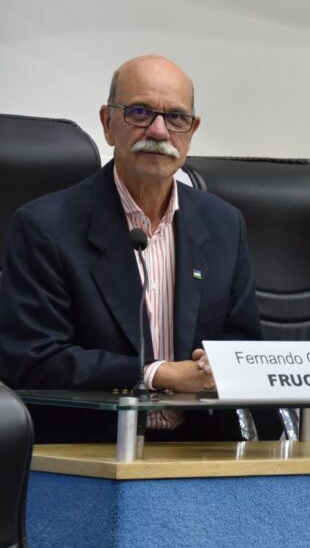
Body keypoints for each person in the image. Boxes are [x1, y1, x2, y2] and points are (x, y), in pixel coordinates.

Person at [0, 55, 265, 443]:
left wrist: (217, 366)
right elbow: (35, 359)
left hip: (200, 447)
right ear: (108, 123)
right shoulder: (45, 227)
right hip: (89, 448)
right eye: (139, 112)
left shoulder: (225, 224)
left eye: (176, 117)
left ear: (192, 131)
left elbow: (243, 341)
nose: (158, 131)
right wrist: (155, 373)